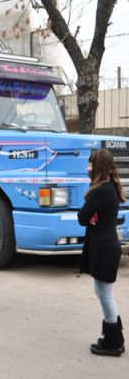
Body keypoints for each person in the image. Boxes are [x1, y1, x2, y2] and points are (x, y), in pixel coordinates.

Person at [78, 149, 125, 357]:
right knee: (101, 291)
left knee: (104, 293)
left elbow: (82, 217)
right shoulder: (110, 187)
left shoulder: (101, 190)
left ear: (99, 168)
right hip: (106, 245)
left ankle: (113, 342)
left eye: (91, 165)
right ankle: (112, 335)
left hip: (104, 248)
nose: (88, 169)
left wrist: (89, 216)